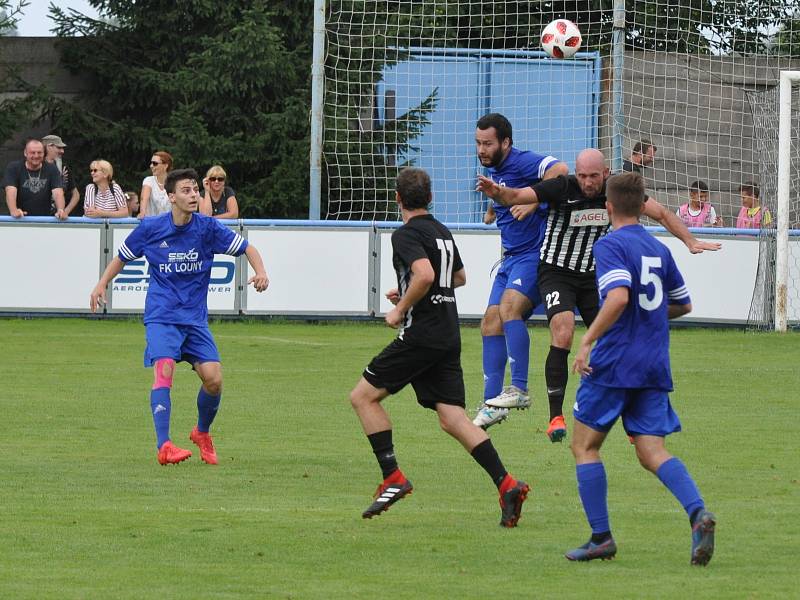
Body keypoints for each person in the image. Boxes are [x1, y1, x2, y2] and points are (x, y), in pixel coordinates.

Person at [477, 149, 721, 444]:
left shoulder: (616, 191)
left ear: (605, 173)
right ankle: (556, 417)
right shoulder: (561, 187)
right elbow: (517, 196)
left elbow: (662, 213)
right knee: (563, 332)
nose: (587, 182)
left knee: (618, 339)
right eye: (582, 176)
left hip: (593, 276)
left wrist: (690, 240)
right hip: (556, 272)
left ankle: (633, 419)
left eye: (594, 176)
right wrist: (498, 192)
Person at [349, 167, 529, 526]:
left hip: (422, 335)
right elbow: (456, 277)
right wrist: (408, 290)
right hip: (447, 333)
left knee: (362, 397)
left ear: (397, 199)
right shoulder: (441, 231)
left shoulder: (405, 234)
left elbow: (428, 275)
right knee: (452, 418)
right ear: (430, 198)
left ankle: (392, 477)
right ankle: (506, 484)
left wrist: (401, 307)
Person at [565, 172, 715, 565]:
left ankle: (601, 538)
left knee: (584, 446)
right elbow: (683, 305)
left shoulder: (610, 245)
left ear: (608, 206)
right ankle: (698, 512)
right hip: (653, 362)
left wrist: (587, 339)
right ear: (643, 205)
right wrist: (647, 315)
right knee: (651, 450)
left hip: (615, 362)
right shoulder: (658, 248)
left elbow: (617, 297)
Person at [90, 168, 269, 465]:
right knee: (164, 373)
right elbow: (121, 256)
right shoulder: (151, 228)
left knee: (214, 381)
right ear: (171, 196)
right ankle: (165, 446)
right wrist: (100, 284)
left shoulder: (207, 228)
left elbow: (248, 247)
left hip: (195, 320)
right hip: (162, 316)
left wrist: (260, 272)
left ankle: (201, 432)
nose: (193, 195)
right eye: (186, 191)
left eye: (195, 190)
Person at [472, 113, 568, 431]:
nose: (481, 149)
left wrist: (533, 199)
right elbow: (503, 189)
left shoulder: (524, 161)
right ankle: (491, 406)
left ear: (506, 143)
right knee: (489, 323)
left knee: (509, 307)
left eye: (487, 143)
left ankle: (521, 389)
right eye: (478, 143)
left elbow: (561, 172)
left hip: (535, 255)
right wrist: (491, 207)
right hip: (511, 257)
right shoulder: (495, 167)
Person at [3, 139, 66, 219]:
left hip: (44, 220)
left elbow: (58, 192)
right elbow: (10, 190)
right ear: (25, 153)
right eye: (33, 152)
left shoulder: (52, 169)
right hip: (19, 219)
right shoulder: (14, 168)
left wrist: (60, 210)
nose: (36, 156)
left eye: (39, 152)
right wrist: (14, 210)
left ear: (44, 153)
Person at [42, 134, 80, 217]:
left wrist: (65, 211)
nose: (62, 151)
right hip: (38, 217)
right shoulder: (37, 166)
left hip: (58, 219)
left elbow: (76, 194)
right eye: (59, 147)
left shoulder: (64, 167)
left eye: (62, 148)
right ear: (49, 147)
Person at [138, 151, 173, 218]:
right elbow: (143, 198)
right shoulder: (148, 180)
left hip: (169, 225)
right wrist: (142, 212)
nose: (151, 166)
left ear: (165, 166)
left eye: (155, 163)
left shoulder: (174, 183)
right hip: (152, 224)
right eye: (151, 163)